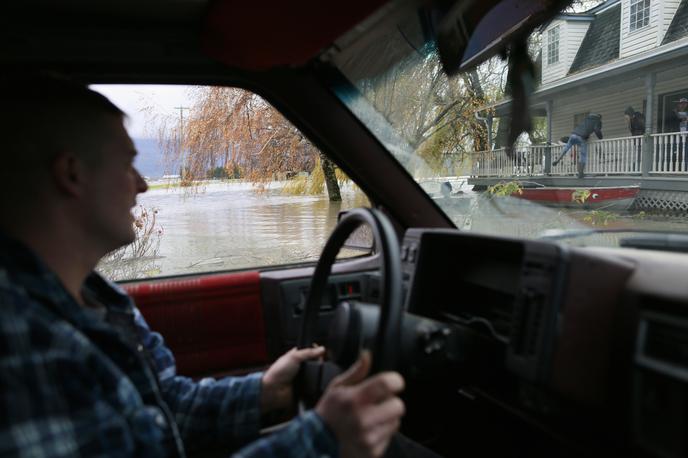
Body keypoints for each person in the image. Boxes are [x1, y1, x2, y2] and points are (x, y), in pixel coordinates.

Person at [0, 75, 408, 457]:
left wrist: (264, 390)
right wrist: (323, 437)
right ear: (72, 174)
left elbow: (165, 408)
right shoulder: (22, 339)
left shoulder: (97, 301)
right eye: (127, 164)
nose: (142, 184)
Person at [552, 113, 603, 178]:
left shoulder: (586, 119)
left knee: (566, 147)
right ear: (600, 117)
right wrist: (600, 137)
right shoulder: (597, 121)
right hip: (582, 137)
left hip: (573, 134)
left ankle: (557, 159)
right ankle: (581, 173)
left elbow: (584, 127)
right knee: (583, 155)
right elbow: (597, 130)